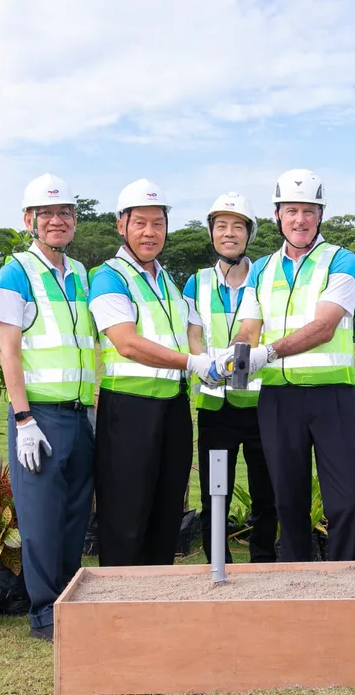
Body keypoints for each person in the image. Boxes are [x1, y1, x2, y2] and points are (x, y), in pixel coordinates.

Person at [230, 168, 355, 562]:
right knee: (288, 502)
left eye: (309, 211)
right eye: (291, 211)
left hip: (332, 396)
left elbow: (325, 326)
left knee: (349, 497)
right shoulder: (261, 269)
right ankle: (296, 580)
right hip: (279, 399)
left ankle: (342, 577)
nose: (300, 220)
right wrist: (235, 354)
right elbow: (249, 329)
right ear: (277, 215)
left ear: (320, 214)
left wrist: (267, 353)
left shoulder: (340, 259)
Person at [87, 178, 221, 567]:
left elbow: (189, 338)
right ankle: (120, 598)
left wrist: (212, 362)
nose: (150, 232)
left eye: (158, 223)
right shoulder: (109, 276)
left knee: (166, 514)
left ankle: (157, 595)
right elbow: (126, 342)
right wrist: (193, 363)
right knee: (126, 517)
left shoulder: (167, 280)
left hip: (173, 409)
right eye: (140, 223)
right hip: (129, 410)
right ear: (121, 225)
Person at [0, 173, 96, 643]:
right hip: (40, 417)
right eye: (46, 213)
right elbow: (9, 352)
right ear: (28, 220)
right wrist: (23, 419)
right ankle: (46, 618)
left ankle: (71, 605)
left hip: (80, 415)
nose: (57, 221)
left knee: (74, 518)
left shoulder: (82, 274)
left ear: (74, 220)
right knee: (42, 523)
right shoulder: (15, 272)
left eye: (64, 213)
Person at [182, 192, 278, 563]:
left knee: (265, 494)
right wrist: (208, 366)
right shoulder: (197, 282)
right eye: (221, 226)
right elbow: (193, 336)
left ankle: (263, 565)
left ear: (249, 234)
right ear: (211, 233)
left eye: (238, 226)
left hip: (261, 405)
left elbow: (260, 334)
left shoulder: (267, 278)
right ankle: (218, 564)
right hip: (215, 408)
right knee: (215, 492)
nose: (229, 233)